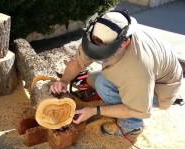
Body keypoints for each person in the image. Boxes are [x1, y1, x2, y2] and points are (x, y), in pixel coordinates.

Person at [50, 10, 183, 136]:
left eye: (103, 52)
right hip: (144, 74)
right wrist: (64, 81)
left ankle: (132, 126)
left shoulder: (137, 68)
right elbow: (78, 62)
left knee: (103, 85)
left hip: (160, 89)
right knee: (93, 80)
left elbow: (136, 109)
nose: (96, 55)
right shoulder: (100, 35)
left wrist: (94, 111)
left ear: (125, 42)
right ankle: (115, 100)